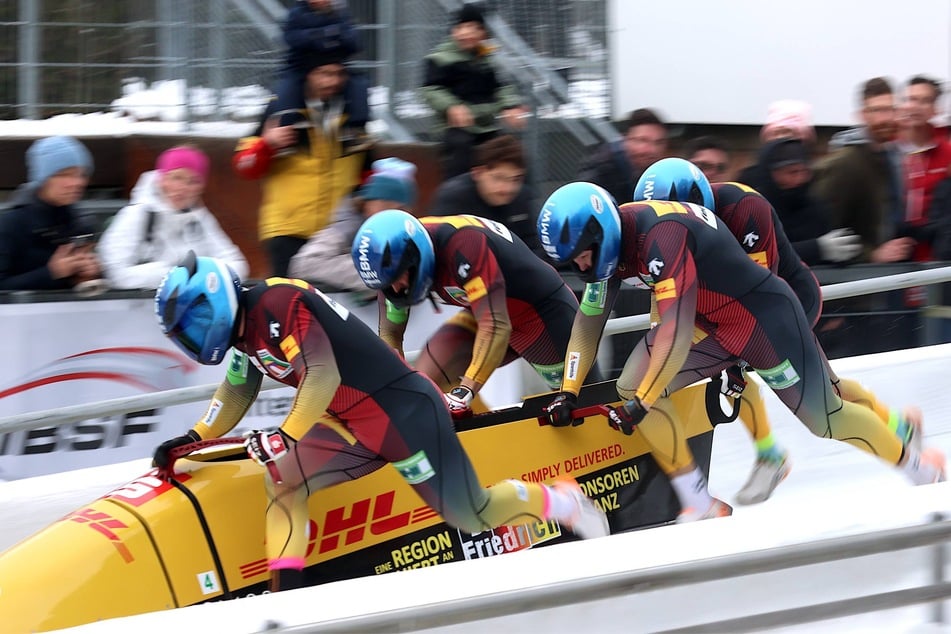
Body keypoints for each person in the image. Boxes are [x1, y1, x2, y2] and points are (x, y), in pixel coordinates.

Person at [152, 253, 608, 591]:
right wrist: (194, 437)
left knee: (474, 515)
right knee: (284, 480)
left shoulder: (278, 303)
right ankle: (285, 595)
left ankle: (561, 502)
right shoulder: (244, 333)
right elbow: (236, 389)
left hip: (405, 414)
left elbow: (321, 373)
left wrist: (285, 434)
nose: (194, 337)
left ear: (216, 297)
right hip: (351, 422)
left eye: (196, 322)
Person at [536, 182, 946, 520]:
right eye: (575, 262)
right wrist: (568, 390)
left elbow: (675, 334)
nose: (585, 266)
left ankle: (920, 468)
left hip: (764, 321)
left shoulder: (661, 235)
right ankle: (698, 500)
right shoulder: (615, 244)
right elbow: (589, 323)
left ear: (600, 231)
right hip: (717, 327)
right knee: (631, 383)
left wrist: (643, 403)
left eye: (586, 255)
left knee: (827, 418)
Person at [633, 157, 939, 505]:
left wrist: (731, 358)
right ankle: (890, 429)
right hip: (721, 311)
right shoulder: (659, 235)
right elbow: (665, 291)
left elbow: (756, 287)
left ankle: (781, 453)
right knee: (755, 375)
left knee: (824, 393)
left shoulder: (745, 206)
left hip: (783, 300)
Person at [350, 209, 594, 417]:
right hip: (486, 312)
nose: (396, 288)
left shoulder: (464, 243)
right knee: (428, 379)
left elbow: (496, 326)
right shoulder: (388, 270)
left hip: (540, 312)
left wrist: (465, 390)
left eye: (398, 277)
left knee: (577, 405)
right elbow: (390, 334)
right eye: (386, 284)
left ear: (415, 256)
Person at [233, 50, 367, 278]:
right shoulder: (282, 110)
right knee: (289, 303)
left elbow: (367, 170)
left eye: (338, 74)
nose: (332, 81)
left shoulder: (353, 115)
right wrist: (268, 144)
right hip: (287, 231)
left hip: (337, 234)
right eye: (323, 73)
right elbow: (244, 165)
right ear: (306, 75)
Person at [97, 145, 249, 289]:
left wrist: (201, 275)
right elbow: (115, 273)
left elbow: (237, 265)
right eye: (177, 178)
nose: (183, 188)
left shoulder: (200, 219)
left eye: (193, 181)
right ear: (161, 179)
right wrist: (178, 275)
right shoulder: (137, 215)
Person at [420, 3, 530, 179]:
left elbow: (501, 87)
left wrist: (510, 106)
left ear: (483, 33)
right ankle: (456, 193)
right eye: (461, 27)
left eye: (473, 28)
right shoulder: (440, 58)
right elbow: (430, 89)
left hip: (486, 126)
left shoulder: (487, 59)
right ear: (453, 31)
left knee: (510, 151)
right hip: (455, 127)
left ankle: (518, 195)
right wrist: (452, 107)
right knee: (461, 148)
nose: (466, 33)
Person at [813, 77, 911, 263]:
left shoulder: (892, 158)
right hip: (856, 278)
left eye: (891, 109)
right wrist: (872, 255)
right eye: (878, 110)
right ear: (863, 115)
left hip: (887, 274)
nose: (887, 118)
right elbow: (824, 226)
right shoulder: (845, 163)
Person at [288, 157, 417, 293]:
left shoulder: (406, 234)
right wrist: (375, 272)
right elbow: (304, 263)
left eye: (402, 210)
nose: (392, 215)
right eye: (384, 205)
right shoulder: (346, 228)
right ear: (367, 203)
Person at [0, 135, 104, 292]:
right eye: (64, 174)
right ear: (42, 180)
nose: (77, 183)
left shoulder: (82, 223)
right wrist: (51, 273)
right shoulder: (11, 226)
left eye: (81, 175)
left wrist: (89, 275)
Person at [738, 137, 861, 266]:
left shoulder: (816, 208)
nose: (800, 178)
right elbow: (755, 258)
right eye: (792, 172)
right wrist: (816, 249)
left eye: (804, 171)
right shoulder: (751, 209)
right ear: (771, 174)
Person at [274, 0, 372, 152]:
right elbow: (292, 39)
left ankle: (354, 131)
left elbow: (354, 42)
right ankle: (287, 133)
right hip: (302, 65)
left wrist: (329, 37)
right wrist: (325, 34)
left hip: (336, 63)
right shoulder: (298, 13)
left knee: (358, 85)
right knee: (288, 89)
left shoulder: (340, 12)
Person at [428, 134, 540, 255]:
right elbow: (438, 247)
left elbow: (534, 247)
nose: (507, 188)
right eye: (498, 178)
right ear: (477, 173)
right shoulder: (454, 198)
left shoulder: (522, 197)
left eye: (515, 179)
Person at [577, 107, 668, 204]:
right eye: (643, 140)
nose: (652, 150)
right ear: (626, 139)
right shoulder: (600, 172)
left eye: (659, 142)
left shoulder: (660, 175)